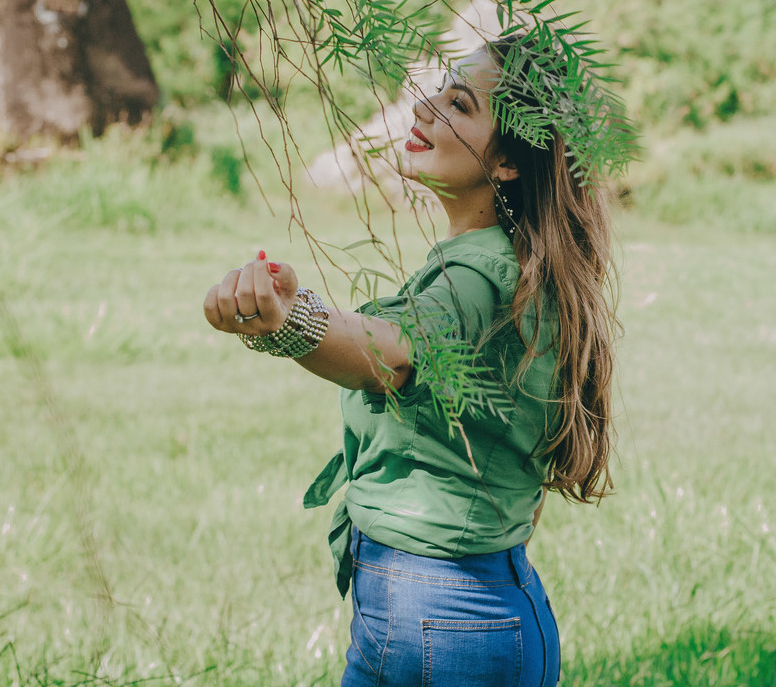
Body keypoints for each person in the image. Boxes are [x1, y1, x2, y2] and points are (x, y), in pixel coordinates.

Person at [203, 33, 619, 687]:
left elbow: (390, 356)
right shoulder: (509, 267)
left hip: (443, 620)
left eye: (459, 103)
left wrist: (285, 321)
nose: (424, 108)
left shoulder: (480, 275)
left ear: (508, 161)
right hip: (456, 611)